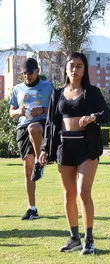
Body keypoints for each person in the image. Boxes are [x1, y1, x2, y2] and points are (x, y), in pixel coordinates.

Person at [39, 52, 110, 255]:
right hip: (65, 148)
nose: (75, 69)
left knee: (83, 192)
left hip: (87, 148)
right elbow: (51, 123)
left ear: (84, 69)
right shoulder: (58, 93)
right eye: (71, 65)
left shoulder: (92, 92)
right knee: (68, 194)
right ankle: (74, 238)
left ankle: (89, 240)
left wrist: (92, 117)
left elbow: (107, 114)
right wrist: (45, 148)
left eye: (79, 66)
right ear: (66, 68)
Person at [9, 57, 53, 220]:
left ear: (37, 71)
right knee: (27, 170)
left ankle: (40, 162)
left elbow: (56, 109)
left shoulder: (48, 86)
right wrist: (19, 111)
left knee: (33, 127)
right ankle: (32, 209)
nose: (27, 76)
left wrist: (41, 109)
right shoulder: (17, 89)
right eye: (24, 73)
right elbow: (11, 112)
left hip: (41, 124)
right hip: (22, 128)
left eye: (30, 73)